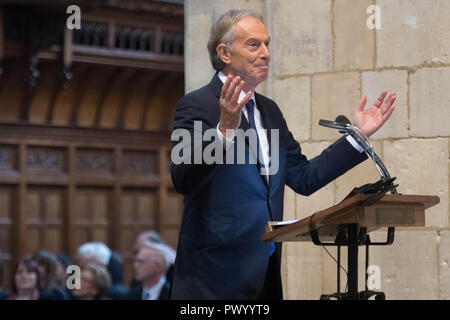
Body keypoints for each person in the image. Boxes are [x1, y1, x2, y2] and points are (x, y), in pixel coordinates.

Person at [169, 9, 396, 300]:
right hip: (212, 278)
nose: (266, 53)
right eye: (254, 44)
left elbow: (304, 178)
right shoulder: (197, 105)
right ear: (224, 53)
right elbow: (183, 179)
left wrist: (358, 137)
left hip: (265, 273)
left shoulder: (270, 111)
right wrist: (223, 131)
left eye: (267, 44)